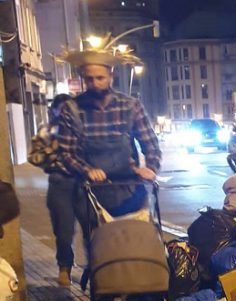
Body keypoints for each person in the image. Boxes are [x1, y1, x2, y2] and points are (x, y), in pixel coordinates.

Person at [56, 48, 161, 268]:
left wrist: (150, 168)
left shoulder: (130, 106)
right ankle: (104, 290)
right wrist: (86, 170)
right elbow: (66, 153)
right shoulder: (72, 109)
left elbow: (150, 144)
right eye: (89, 79)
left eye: (100, 78)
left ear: (111, 76)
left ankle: (137, 290)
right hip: (91, 194)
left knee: (134, 244)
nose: (94, 83)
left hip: (130, 189)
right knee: (99, 249)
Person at [30, 94, 76, 286]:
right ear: (55, 110)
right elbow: (33, 157)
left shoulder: (80, 128)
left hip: (82, 182)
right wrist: (53, 149)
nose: (65, 112)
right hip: (59, 183)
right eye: (61, 108)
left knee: (94, 229)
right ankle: (64, 267)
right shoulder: (46, 131)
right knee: (63, 231)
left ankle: (97, 268)